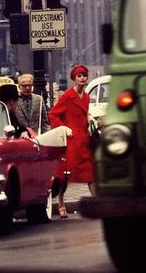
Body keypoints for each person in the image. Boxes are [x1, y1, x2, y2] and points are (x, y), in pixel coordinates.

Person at [48, 64, 95, 218]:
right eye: (79, 76)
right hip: (72, 141)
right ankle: (61, 203)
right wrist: (63, 128)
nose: (82, 78)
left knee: (90, 173)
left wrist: (88, 118)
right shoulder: (68, 96)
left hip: (84, 140)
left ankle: (96, 202)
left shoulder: (87, 96)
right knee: (65, 175)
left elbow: (83, 114)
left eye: (84, 75)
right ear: (74, 78)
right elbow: (53, 114)